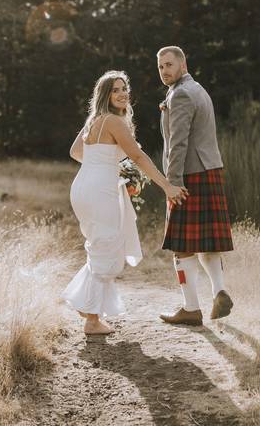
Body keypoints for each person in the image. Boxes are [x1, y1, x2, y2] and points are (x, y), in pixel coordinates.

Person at [62, 70, 188, 335]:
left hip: (83, 187)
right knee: (107, 246)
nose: (122, 94)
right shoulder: (114, 122)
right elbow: (139, 157)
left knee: (99, 244)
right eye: (115, 90)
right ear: (105, 95)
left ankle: (86, 306)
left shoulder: (94, 120)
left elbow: (75, 152)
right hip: (99, 190)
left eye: (124, 89)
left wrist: (104, 165)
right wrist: (166, 186)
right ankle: (92, 320)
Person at [156, 46, 235, 327]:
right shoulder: (198, 89)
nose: (164, 71)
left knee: (182, 245)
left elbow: (178, 143)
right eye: (160, 67)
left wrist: (172, 183)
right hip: (209, 170)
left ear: (183, 64)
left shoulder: (181, 95)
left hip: (189, 175)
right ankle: (219, 291)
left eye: (168, 65)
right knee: (207, 242)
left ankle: (191, 309)